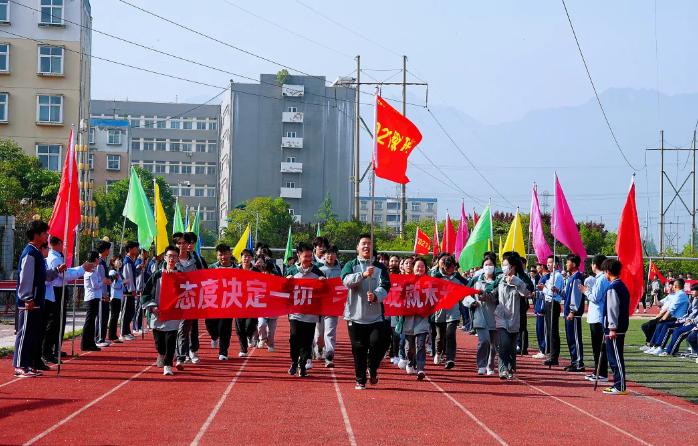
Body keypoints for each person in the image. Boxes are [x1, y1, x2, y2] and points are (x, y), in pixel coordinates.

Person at [13, 221, 74, 377]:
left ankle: (29, 364)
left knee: (33, 334)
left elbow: (43, 276)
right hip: (28, 302)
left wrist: (55, 271)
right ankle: (20, 365)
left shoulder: (37, 253)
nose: (47, 236)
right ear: (37, 235)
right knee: (25, 333)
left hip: (37, 301)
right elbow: (25, 277)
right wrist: (27, 298)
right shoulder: (30, 253)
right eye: (45, 233)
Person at [341, 233, 391, 390]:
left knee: (380, 344)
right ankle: (360, 379)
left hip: (375, 317)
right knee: (359, 349)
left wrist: (376, 295)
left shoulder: (380, 268)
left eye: (369, 243)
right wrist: (362, 275)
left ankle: (373, 366)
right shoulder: (350, 264)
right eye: (363, 243)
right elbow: (346, 281)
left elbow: (385, 287)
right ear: (357, 247)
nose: (366, 246)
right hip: (355, 316)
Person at [41, 237, 86, 364]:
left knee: (59, 322)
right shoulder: (54, 259)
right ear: (58, 244)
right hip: (56, 291)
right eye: (62, 243)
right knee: (53, 322)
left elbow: (67, 272)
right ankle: (47, 351)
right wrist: (82, 269)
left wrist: (80, 269)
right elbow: (65, 275)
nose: (64, 246)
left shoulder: (58, 256)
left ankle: (53, 349)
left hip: (59, 290)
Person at [142, 245, 182, 376]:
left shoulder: (181, 276)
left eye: (174, 256)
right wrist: (153, 307)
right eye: (169, 256)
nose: (172, 259)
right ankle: (162, 354)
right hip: (157, 313)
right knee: (160, 344)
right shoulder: (157, 275)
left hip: (173, 313)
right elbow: (146, 292)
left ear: (178, 259)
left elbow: (188, 291)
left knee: (170, 339)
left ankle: (168, 365)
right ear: (165, 258)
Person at [288, 243, 325, 377]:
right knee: (294, 338)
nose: (308, 259)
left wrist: (323, 282)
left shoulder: (317, 272)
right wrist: (287, 282)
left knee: (307, 341)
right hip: (295, 313)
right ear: (298, 255)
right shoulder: (291, 271)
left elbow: (325, 291)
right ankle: (293, 361)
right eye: (306, 256)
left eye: (310, 256)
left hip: (311, 314)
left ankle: (302, 365)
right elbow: (282, 290)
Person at [493, 255, 529, 379]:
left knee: (512, 346)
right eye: (502, 265)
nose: (503, 267)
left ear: (512, 266)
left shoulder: (520, 280)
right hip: (501, 315)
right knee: (504, 343)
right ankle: (502, 369)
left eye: (505, 264)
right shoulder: (500, 279)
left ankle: (510, 368)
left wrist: (516, 282)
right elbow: (492, 289)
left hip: (514, 317)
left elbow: (526, 293)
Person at [175, 232, 206, 369]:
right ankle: (178, 354)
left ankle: (189, 353)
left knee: (189, 327)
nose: (183, 246)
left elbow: (205, 276)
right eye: (179, 243)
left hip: (191, 299)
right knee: (176, 329)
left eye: (185, 243)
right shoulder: (170, 260)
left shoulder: (197, 260)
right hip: (174, 300)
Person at [432, 255, 468, 370]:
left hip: (453, 311)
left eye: (453, 267)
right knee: (440, 336)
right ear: (443, 267)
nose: (452, 269)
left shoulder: (457, 278)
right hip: (439, 311)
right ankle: (438, 352)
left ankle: (450, 358)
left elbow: (469, 285)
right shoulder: (436, 276)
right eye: (449, 267)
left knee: (450, 334)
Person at [465, 255, 498, 376]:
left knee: (493, 346)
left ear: (495, 267)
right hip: (480, 316)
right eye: (486, 265)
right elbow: (466, 293)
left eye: (491, 265)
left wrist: (489, 296)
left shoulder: (498, 281)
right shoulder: (476, 280)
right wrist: (471, 302)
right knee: (483, 341)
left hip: (495, 316)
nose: (488, 267)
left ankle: (490, 365)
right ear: (482, 267)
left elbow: (500, 297)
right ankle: (481, 365)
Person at [601, 259, 629, 395]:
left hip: (615, 329)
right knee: (614, 357)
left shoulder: (613, 287)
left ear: (608, 272)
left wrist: (612, 328)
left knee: (615, 357)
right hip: (617, 327)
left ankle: (620, 385)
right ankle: (617, 384)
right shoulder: (620, 285)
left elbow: (612, 309)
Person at [399, 257, 430, 380]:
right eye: (418, 266)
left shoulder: (429, 283)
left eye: (422, 266)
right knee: (409, 348)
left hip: (422, 319)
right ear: (413, 268)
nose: (420, 268)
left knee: (421, 344)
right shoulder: (407, 282)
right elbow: (399, 298)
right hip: (409, 319)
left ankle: (421, 368)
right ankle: (411, 361)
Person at [580, 255, 609, 382]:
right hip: (595, 316)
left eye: (592, 264)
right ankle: (597, 370)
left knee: (599, 347)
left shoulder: (602, 278)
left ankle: (602, 373)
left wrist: (586, 291)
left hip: (598, 317)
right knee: (596, 347)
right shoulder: (599, 278)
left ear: (595, 265)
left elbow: (596, 297)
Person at [641, 279, 689, 350]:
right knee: (659, 324)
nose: (672, 287)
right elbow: (668, 307)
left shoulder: (680, 295)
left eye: (673, 286)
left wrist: (663, 319)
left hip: (679, 319)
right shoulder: (678, 294)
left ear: (675, 286)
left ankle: (659, 347)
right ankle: (653, 345)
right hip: (674, 318)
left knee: (663, 325)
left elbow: (671, 309)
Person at [206, 243, 235, 360]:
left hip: (229, 303)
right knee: (210, 324)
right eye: (221, 255)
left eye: (226, 254)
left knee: (225, 327)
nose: (223, 257)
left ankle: (223, 352)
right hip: (213, 302)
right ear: (217, 256)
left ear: (230, 254)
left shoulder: (237, 269)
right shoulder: (212, 268)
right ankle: (214, 336)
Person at [316, 244, 341, 367]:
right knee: (319, 334)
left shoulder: (341, 270)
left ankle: (329, 355)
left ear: (336, 255)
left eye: (332, 253)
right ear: (324, 256)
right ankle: (319, 349)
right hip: (319, 306)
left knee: (330, 332)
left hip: (333, 305)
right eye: (328, 254)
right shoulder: (318, 269)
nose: (330, 256)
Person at [659, 283, 698, 356]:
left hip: (694, 324)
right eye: (691, 290)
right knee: (675, 330)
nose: (691, 292)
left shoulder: (695, 300)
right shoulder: (694, 299)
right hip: (689, 321)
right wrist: (682, 319)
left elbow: (695, 315)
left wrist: (691, 321)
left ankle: (669, 351)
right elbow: (689, 313)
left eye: (693, 291)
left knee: (678, 332)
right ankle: (668, 350)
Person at [235, 248, 259, 358]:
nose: (246, 258)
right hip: (237, 302)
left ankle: (250, 335)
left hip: (252, 302)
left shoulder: (256, 271)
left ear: (252, 258)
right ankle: (243, 349)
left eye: (248, 256)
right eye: (244, 256)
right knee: (240, 328)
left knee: (250, 325)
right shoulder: (236, 270)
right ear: (241, 257)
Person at [562, 254, 585, 372]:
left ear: (574, 264)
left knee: (575, 338)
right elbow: (567, 295)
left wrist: (572, 311)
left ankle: (579, 363)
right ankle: (574, 361)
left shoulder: (577, 278)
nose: (566, 264)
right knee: (570, 338)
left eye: (568, 262)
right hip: (568, 313)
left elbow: (576, 296)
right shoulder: (571, 277)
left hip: (573, 314)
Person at [540, 255, 563, 366]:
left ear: (556, 264)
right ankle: (551, 353)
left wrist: (543, 289)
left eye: (550, 262)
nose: (548, 264)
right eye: (548, 262)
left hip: (554, 303)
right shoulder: (550, 276)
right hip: (548, 303)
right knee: (549, 330)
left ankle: (554, 357)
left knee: (553, 330)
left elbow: (553, 292)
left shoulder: (557, 276)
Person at [81, 250, 104, 352]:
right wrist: (102, 282)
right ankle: (86, 343)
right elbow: (95, 286)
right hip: (92, 297)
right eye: (98, 258)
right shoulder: (92, 271)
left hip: (93, 297)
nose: (99, 260)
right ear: (95, 259)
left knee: (91, 321)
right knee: (89, 322)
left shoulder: (93, 270)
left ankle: (90, 342)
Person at [257, 258, 279, 352]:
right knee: (261, 324)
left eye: (268, 272)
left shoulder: (276, 279)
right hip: (262, 307)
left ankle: (270, 343)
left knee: (272, 330)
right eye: (265, 271)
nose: (266, 273)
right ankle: (262, 338)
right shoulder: (259, 278)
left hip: (273, 308)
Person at [120, 241, 140, 341]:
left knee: (131, 311)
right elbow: (128, 277)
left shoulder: (131, 261)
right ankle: (123, 332)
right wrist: (132, 289)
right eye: (136, 248)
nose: (137, 250)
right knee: (126, 311)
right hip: (127, 291)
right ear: (130, 249)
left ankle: (127, 331)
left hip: (131, 290)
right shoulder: (127, 261)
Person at [95, 241, 112, 348]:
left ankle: (101, 337)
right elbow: (102, 280)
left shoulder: (103, 262)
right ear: (105, 250)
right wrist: (104, 294)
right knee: (101, 316)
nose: (109, 251)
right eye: (108, 249)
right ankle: (99, 338)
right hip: (101, 294)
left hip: (103, 293)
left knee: (104, 316)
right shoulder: (100, 263)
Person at [531, 263, 548, 360]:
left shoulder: (546, 278)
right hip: (538, 307)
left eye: (538, 265)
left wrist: (535, 293)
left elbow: (545, 293)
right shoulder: (541, 277)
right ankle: (541, 349)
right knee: (539, 330)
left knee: (542, 330)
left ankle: (544, 349)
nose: (536, 268)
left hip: (542, 307)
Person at [107, 255, 124, 343]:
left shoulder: (118, 272)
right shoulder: (112, 272)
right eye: (117, 260)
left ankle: (113, 334)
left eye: (120, 260)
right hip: (114, 297)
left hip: (118, 296)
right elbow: (114, 285)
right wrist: (120, 282)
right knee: (114, 316)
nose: (119, 262)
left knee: (116, 316)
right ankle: (112, 335)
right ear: (113, 262)